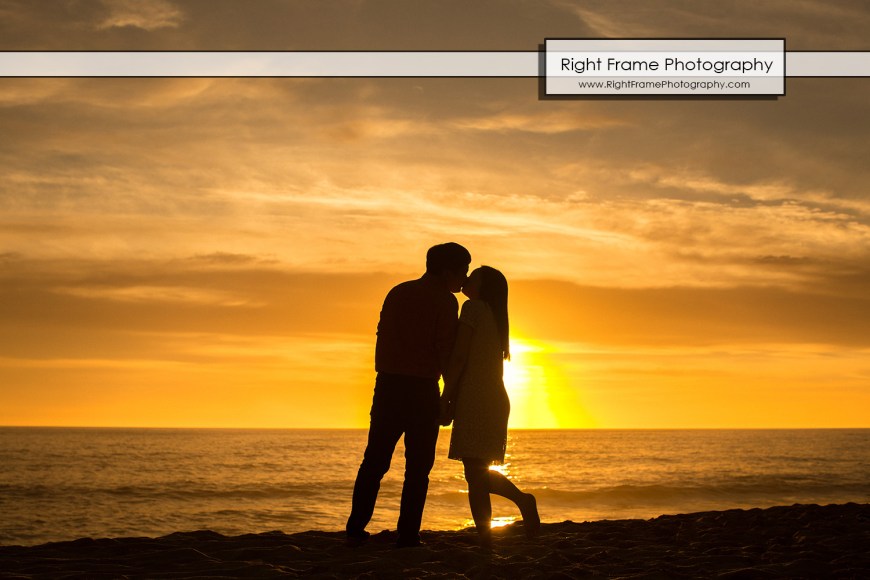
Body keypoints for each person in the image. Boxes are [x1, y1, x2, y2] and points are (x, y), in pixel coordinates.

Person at [346, 242, 472, 549]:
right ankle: (408, 534)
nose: (464, 280)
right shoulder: (444, 301)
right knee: (418, 468)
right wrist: (449, 397)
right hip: (421, 389)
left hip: (388, 384)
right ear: (447, 272)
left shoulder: (398, 292)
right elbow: (445, 352)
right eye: (462, 272)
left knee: (374, 461)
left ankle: (355, 528)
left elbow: (382, 338)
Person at [440, 266, 540, 548]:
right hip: (494, 398)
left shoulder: (472, 308)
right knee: (476, 471)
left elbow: (460, 357)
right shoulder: (497, 317)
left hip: (476, 398)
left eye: (474, 276)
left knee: (474, 473)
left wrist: (446, 394)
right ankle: (490, 532)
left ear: (484, 287)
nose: (467, 278)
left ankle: (496, 525)